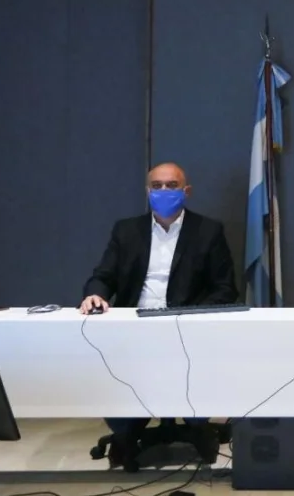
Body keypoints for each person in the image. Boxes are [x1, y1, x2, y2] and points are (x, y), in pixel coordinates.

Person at [80, 162, 238, 470]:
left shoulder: (208, 231)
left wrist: (189, 316)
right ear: (147, 191)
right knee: (116, 378)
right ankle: (126, 431)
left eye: (172, 185)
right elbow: (103, 276)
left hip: (186, 328)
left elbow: (225, 288)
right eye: (157, 186)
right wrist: (94, 294)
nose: (164, 191)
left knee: (194, 377)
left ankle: (195, 425)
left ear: (186, 191)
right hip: (133, 328)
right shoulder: (126, 230)